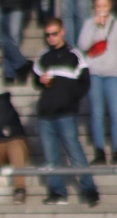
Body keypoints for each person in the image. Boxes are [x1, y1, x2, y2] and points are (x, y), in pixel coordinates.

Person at [34, 19, 100, 206]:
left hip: (66, 113)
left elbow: (85, 82)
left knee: (76, 154)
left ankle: (89, 190)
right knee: (51, 158)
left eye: (54, 34)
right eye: (47, 35)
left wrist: (71, 98)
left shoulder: (74, 54)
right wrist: (40, 80)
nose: (51, 38)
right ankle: (57, 192)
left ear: (62, 32)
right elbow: (35, 79)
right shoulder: (44, 55)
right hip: (45, 114)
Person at [78, 0, 117, 165]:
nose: (101, 9)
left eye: (104, 6)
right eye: (98, 6)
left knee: (116, 113)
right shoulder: (88, 23)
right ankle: (100, 151)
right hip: (94, 73)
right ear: (94, 7)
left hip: (113, 73)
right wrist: (93, 26)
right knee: (97, 113)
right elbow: (83, 45)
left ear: (110, 6)